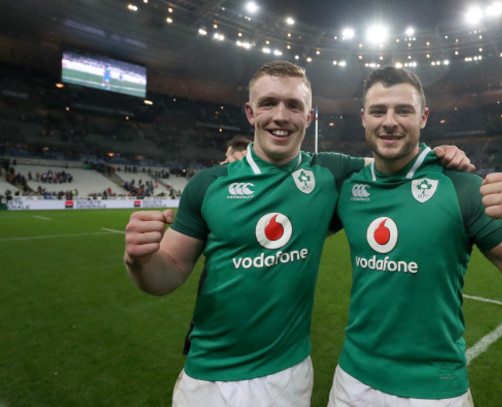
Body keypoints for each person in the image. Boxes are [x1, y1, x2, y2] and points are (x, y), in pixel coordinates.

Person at [123, 61, 473, 407]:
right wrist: (140, 260)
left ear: (308, 117)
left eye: (294, 106)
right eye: (268, 103)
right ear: (250, 112)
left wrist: (440, 155)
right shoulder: (209, 184)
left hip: (286, 378)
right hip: (208, 376)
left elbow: (392, 162)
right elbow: (166, 275)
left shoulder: (330, 173)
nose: (280, 115)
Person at [329, 66, 502, 407]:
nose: (389, 121)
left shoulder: (461, 187)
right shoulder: (349, 188)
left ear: (423, 117)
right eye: (378, 111)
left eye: (403, 111)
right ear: (364, 118)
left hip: (434, 390)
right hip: (351, 382)